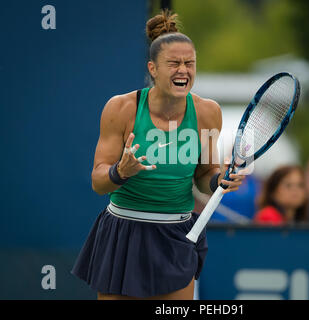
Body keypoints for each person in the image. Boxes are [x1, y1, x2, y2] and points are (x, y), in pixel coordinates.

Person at [71, 10, 245, 300]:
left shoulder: (207, 113)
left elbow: (204, 175)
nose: (184, 70)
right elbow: (98, 182)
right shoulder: (121, 108)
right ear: (152, 68)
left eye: (190, 63)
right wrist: (120, 172)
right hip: (123, 232)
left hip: (176, 235)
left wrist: (219, 181)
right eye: (174, 63)